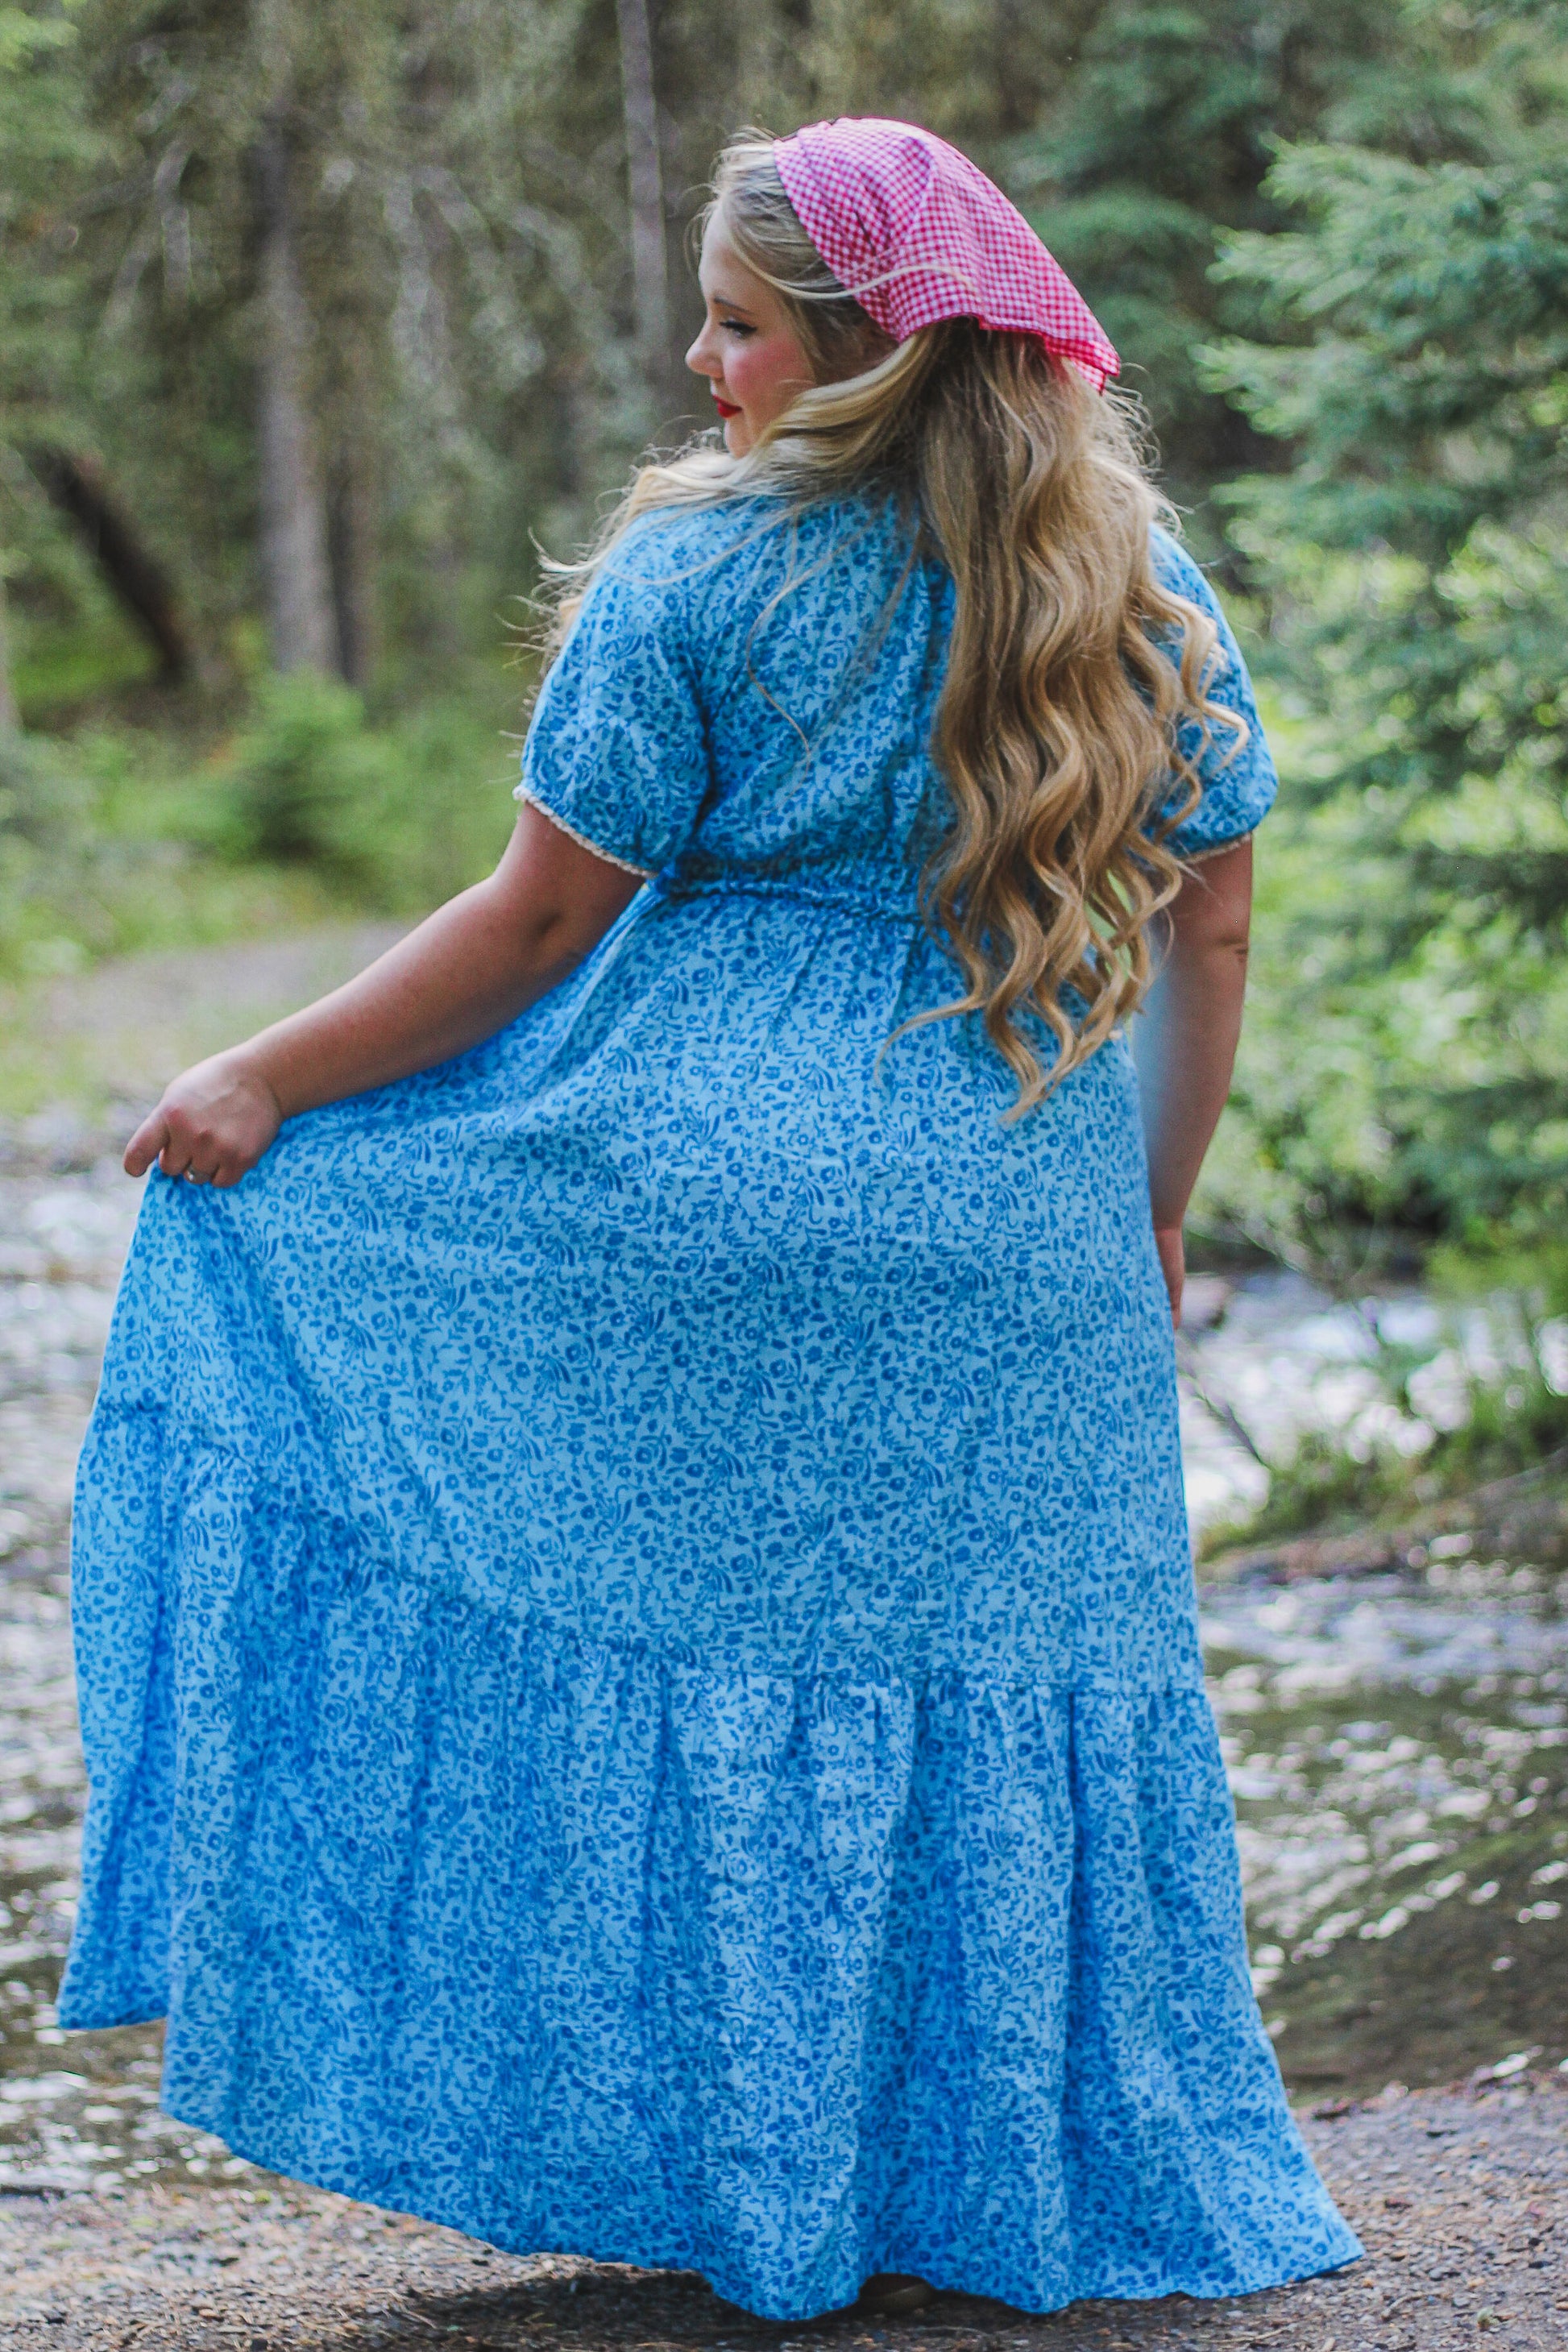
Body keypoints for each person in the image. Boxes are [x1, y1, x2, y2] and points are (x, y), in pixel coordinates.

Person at [61, 117, 1359, 2323]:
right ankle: (1015, 2185)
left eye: (738, 324)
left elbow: (544, 912)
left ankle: (740, 2186)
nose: (701, 358)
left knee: (700, 1670)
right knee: (1002, 1682)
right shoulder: (1129, 582)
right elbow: (1208, 928)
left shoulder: (695, 572)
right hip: (1011, 1222)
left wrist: (266, 1078)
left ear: (852, 352)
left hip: (696, 1203)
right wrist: (1140, 1223)